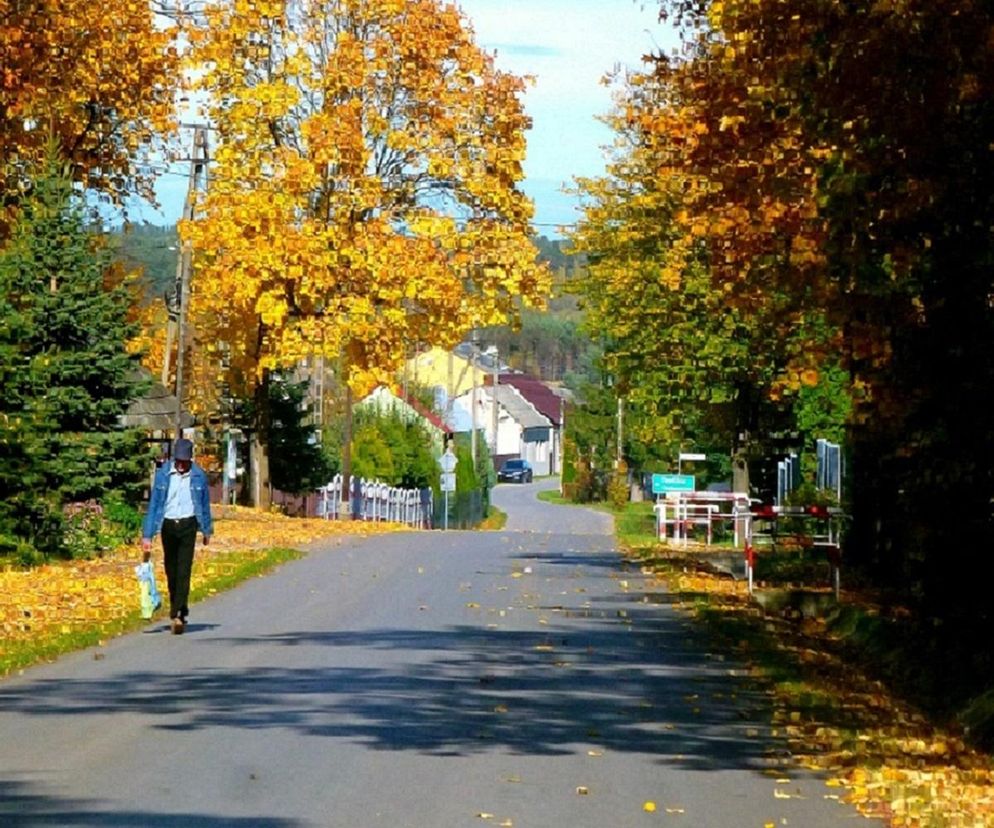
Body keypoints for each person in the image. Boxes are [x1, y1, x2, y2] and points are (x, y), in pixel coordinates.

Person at [141, 438, 213, 634]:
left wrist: (206, 530)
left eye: (185, 462)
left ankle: (178, 613)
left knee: (184, 569)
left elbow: (205, 505)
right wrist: (147, 535)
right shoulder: (164, 475)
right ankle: (179, 605)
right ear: (174, 460)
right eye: (178, 462)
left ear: (190, 459)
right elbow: (154, 504)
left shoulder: (198, 475)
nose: (181, 466)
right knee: (171, 569)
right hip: (168, 524)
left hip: (189, 524)